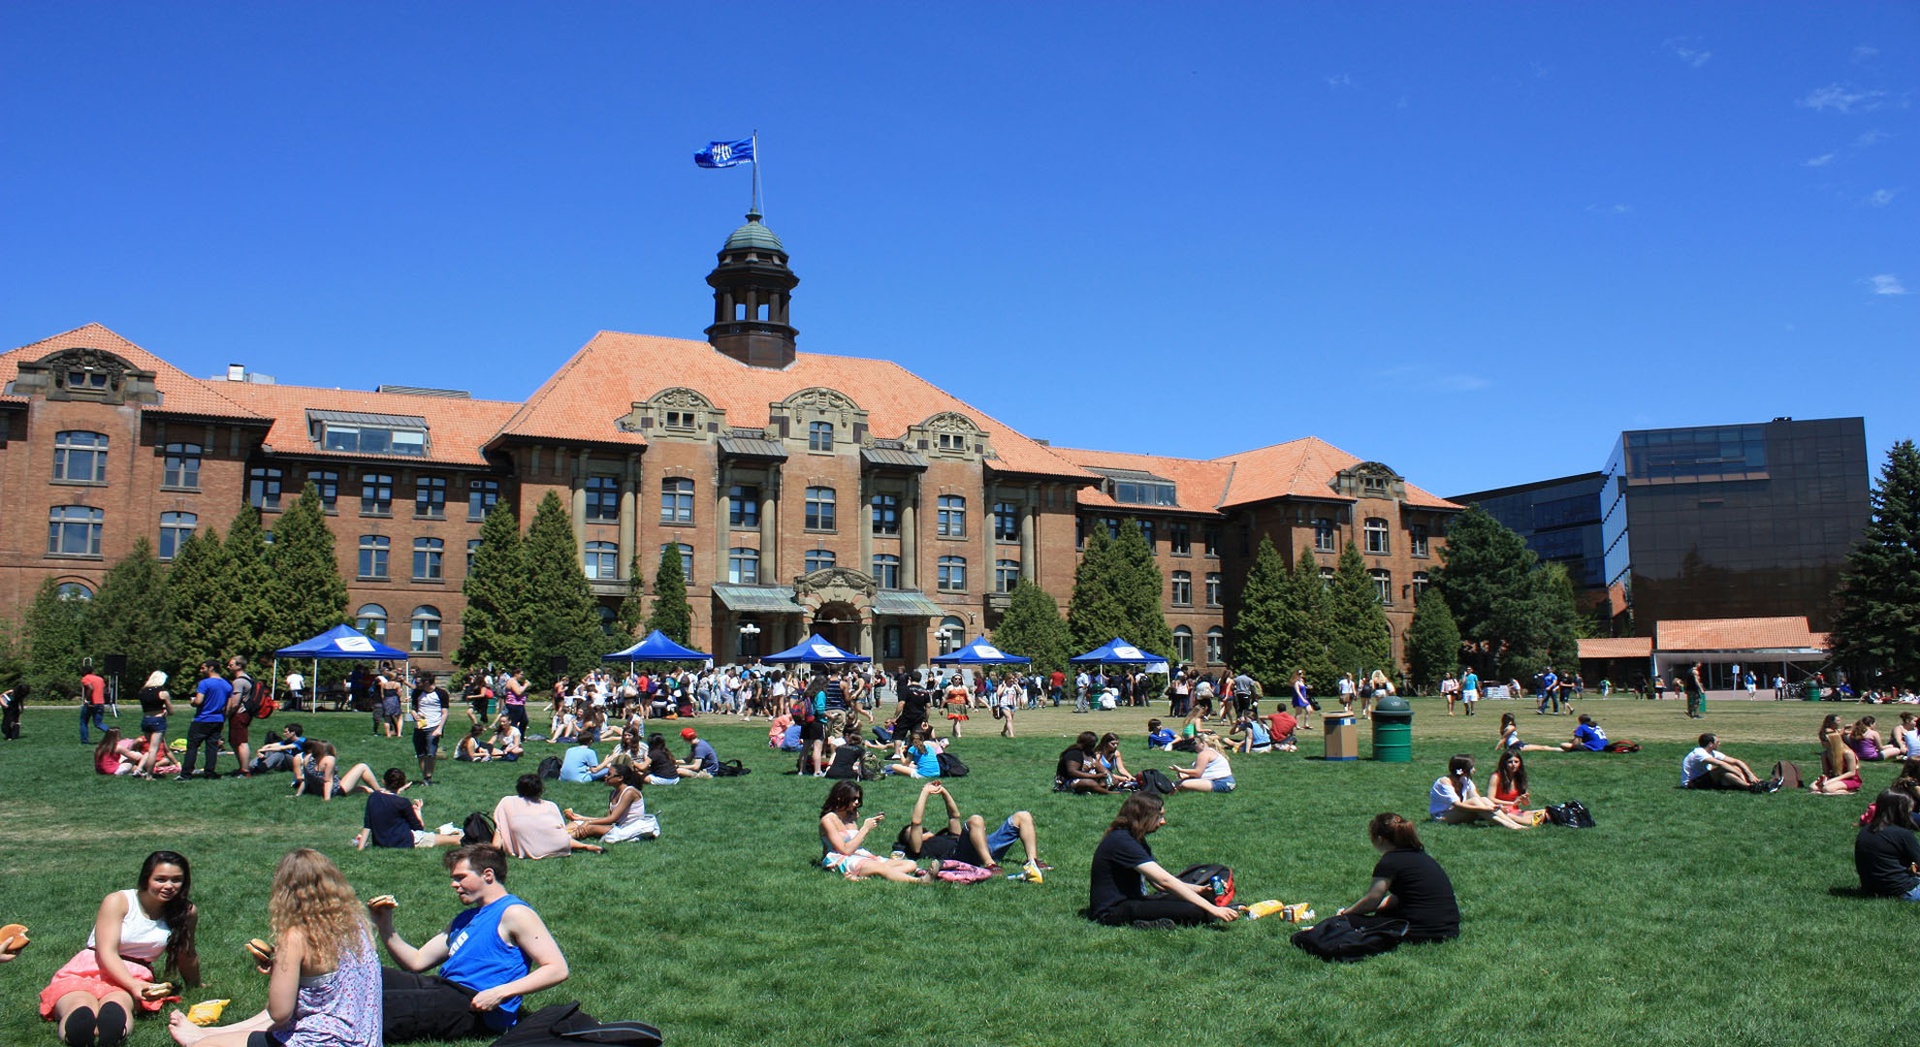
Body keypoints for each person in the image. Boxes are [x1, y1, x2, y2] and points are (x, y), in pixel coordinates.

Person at [167, 848, 381, 1047]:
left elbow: (279, 1013)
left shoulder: (297, 936)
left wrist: (281, 969)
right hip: (365, 1039)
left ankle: (204, 1038)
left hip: (324, 1040)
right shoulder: (357, 922)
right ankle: (212, 1032)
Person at [372, 844, 570, 1041]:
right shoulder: (465, 919)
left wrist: (499, 993)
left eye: (460, 877)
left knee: (380, 1004)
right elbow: (416, 961)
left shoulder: (514, 913)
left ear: (488, 875)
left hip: (476, 1005)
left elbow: (557, 969)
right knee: (367, 975)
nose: (454, 884)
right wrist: (384, 924)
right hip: (444, 988)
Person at [40, 850, 200, 1047]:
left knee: (118, 1003)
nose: (169, 886)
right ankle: (78, 1034)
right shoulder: (119, 901)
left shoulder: (185, 912)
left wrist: (195, 985)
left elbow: (186, 953)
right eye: (160, 879)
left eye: (176, 880)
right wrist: (132, 984)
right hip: (92, 966)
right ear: (146, 878)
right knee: (79, 1002)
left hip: (137, 973)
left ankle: (111, 1034)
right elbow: (106, 951)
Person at [1087, 792, 1240, 928]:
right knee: (1195, 911)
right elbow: (1164, 881)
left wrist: (1200, 890)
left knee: (1195, 902)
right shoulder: (1122, 841)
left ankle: (1153, 920)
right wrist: (1213, 909)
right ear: (1143, 816)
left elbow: (1157, 883)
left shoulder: (1134, 839)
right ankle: (1146, 924)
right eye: (1159, 817)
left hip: (1134, 901)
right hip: (1112, 911)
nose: (1163, 822)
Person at [1331, 813, 1460, 942]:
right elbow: (1397, 898)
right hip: (1449, 929)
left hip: (1421, 930)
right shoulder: (1422, 857)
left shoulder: (1389, 861)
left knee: (1349, 922)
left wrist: (1346, 914)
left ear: (1380, 839)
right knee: (1383, 913)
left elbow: (1372, 900)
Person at [896, 781, 1045, 881]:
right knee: (975, 820)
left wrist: (943, 792)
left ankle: (1033, 861)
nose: (921, 831)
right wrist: (924, 792)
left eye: (922, 830)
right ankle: (990, 864)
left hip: (982, 846)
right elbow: (916, 822)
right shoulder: (921, 848)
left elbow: (954, 816)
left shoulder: (946, 836)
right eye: (915, 833)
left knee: (1022, 816)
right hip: (963, 856)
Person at [818, 781, 928, 882]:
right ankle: (920, 881)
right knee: (882, 867)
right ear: (840, 798)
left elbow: (855, 842)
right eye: (853, 799)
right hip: (841, 859)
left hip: (860, 855)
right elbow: (845, 850)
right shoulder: (828, 820)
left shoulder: (851, 816)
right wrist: (865, 828)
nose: (857, 802)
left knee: (911, 864)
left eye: (858, 799)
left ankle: (861, 877)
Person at [491, 775, 603, 858]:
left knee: (501, 826)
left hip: (530, 849)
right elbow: (561, 829)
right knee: (570, 828)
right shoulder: (550, 805)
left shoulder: (507, 802)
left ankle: (492, 850)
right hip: (558, 845)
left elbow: (500, 828)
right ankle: (584, 846)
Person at [357, 769, 462, 850]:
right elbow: (419, 828)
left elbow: (368, 825)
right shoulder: (403, 802)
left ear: (383, 781)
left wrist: (360, 848)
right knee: (457, 840)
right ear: (402, 784)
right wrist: (418, 811)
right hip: (406, 841)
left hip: (382, 842)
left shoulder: (373, 797)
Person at [564, 756, 659, 843]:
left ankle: (562, 840)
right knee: (575, 823)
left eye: (609, 774)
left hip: (627, 829)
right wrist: (581, 818)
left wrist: (587, 822)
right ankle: (558, 834)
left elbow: (613, 818)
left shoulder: (630, 792)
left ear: (620, 778)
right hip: (616, 826)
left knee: (589, 827)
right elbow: (608, 819)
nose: (605, 776)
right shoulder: (613, 793)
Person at [1430, 754, 1535, 829]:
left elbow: (1478, 798)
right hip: (1442, 816)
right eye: (1471, 767)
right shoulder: (1444, 782)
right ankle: (1508, 825)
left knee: (1482, 799)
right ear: (1463, 769)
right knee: (1476, 802)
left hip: (1459, 813)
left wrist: (1496, 807)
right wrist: (1485, 808)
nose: (1474, 770)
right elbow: (1458, 805)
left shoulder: (1465, 780)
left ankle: (1514, 824)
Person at [1854, 790, 1920, 900]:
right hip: (1903, 890)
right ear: (1901, 810)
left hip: (1871, 889)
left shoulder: (1865, 831)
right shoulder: (1903, 834)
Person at [176, 662, 229, 781]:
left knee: (193, 746)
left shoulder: (205, 683)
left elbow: (199, 701)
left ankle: (186, 774)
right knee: (212, 747)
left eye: (203, 668)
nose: (201, 670)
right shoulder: (227, 685)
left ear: (211, 668)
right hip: (218, 719)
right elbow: (228, 706)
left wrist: (192, 702)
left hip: (202, 719)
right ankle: (209, 772)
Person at [290, 741, 380, 801]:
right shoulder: (329, 759)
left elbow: (306, 779)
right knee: (362, 766)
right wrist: (327, 800)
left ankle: (369, 790)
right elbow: (328, 781)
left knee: (363, 789)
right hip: (336, 791)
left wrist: (298, 794)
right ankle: (379, 791)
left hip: (317, 790)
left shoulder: (308, 758)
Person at [1681, 733, 1766, 791]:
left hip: (1706, 780)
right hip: (1691, 784)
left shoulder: (1713, 753)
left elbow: (1736, 761)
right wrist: (1740, 775)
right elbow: (1720, 764)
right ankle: (1749, 786)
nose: (1720, 744)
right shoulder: (1699, 753)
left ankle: (1755, 783)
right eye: (1717, 742)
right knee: (1721, 769)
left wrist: (1750, 775)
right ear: (1711, 744)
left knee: (1733, 768)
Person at [1485, 750, 1546, 822]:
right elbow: (1490, 798)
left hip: (1516, 811)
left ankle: (1535, 820)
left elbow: (1526, 804)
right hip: (1502, 810)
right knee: (1530, 819)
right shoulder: (1496, 777)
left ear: (1520, 763)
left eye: (1516, 762)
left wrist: (1524, 798)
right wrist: (1512, 803)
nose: (1514, 764)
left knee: (1545, 811)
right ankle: (1531, 821)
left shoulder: (1519, 778)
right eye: (1510, 762)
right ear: (1504, 763)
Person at [409, 672, 447, 787]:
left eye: (418, 682)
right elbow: (413, 708)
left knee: (431, 754)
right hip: (420, 727)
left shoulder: (441, 693)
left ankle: (428, 777)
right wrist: (414, 714)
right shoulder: (417, 692)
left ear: (426, 682)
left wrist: (440, 728)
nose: (416, 684)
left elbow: (445, 712)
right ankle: (425, 776)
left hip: (434, 726)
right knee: (421, 754)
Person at [133, 672, 171, 779]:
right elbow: (171, 711)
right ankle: (149, 775)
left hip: (146, 720)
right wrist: (165, 709)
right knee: (154, 749)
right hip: (158, 720)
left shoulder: (142, 692)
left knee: (150, 748)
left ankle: (140, 769)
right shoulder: (162, 693)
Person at [225, 656, 258, 778]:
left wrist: (227, 714)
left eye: (231, 665)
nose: (228, 667)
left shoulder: (238, 682)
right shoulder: (248, 679)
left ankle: (245, 770)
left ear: (239, 666)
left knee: (241, 742)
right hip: (246, 713)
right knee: (235, 741)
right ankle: (242, 768)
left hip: (239, 713)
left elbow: (235, 703)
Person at [1811, 730, 1864, 795]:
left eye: (1825, 740)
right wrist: (1824, 780)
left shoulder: (1848, 753)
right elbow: (1825, 772)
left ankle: (1850, 791)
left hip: (1849, 779)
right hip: (1833, 777)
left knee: (1827, 789)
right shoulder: (1825, 754)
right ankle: (1833, 789)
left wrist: (1832, 780)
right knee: (1813, 788)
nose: (1822, 742)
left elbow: (1851, 772)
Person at [80, 664, 108, 744]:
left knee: (84, 722)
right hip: (100, 703)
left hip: (91, 703)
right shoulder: (100, 679)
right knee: (98, 723)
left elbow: (90, 688)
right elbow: (104, 689)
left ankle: (85, 741)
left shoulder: (85, 678)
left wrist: (87, 700)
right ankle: (113, 734)